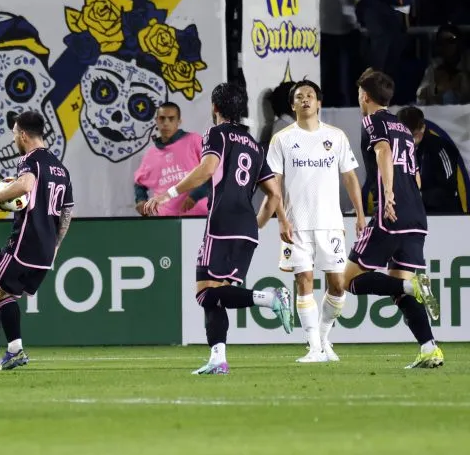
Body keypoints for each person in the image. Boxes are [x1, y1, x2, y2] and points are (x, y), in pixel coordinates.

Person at [143, 82, 293, 375]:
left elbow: (207, 169)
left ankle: (268, 298)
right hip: (246, 227)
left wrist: (168, 194)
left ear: (215, 108)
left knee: (204, 293)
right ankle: (218, 359)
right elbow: (274, 194)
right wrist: (260, 225)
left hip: (222, 222)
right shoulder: (253, 144)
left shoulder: (217, 133)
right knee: (219, 294)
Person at [345, 70, 443, 369]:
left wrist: (387, 195)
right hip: (415, 215)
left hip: (392, 213)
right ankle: (429, 348)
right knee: (399, 289)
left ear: (365, 96)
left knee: (346, 279)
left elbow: (383, 152)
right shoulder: (402, 126)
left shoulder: (373, 121)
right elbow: (414, 174)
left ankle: (412, 288)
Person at [0, 110, 73, 372]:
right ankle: (15, 350)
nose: (13, 138)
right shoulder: (61, 168)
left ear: (23, 135)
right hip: (45, 249)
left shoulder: (29, 161)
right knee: (5, 295)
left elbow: (25, 186)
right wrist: (56, 245)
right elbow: (67, 213)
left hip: (24, 242)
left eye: (14, 133)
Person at [266, 80, 365, 363]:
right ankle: (313, 348)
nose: (306, 99)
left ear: (319, 103)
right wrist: (281, 219)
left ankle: (322, 339)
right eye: (300, 96)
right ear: (293, 104)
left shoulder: (336, 137)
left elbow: (349, 177)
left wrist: (359, 215)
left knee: (337, 284)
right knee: (304, 282)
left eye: (310, 95)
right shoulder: (282, 139)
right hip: (296, 224)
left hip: (330, 223)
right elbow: (275, 183)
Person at [134, 102, 209, 217]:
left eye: (171, 119)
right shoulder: (150, 154)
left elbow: (212, 172)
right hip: (166, 221)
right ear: (156, 121)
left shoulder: (194, 140)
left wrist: (196, 195)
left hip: (198, 216)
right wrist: (141, 200)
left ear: (179, 121)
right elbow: (139, 183)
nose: (166, 123)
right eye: (162, 118)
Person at [397, 106, 464, 215]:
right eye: (403, 136)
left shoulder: (441, 149)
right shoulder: (396, 148)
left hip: (444, 216)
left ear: (422, 128)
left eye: (413, 135)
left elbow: (449, 191)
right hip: (413, 216)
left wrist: (418, 196)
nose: (408, 140)